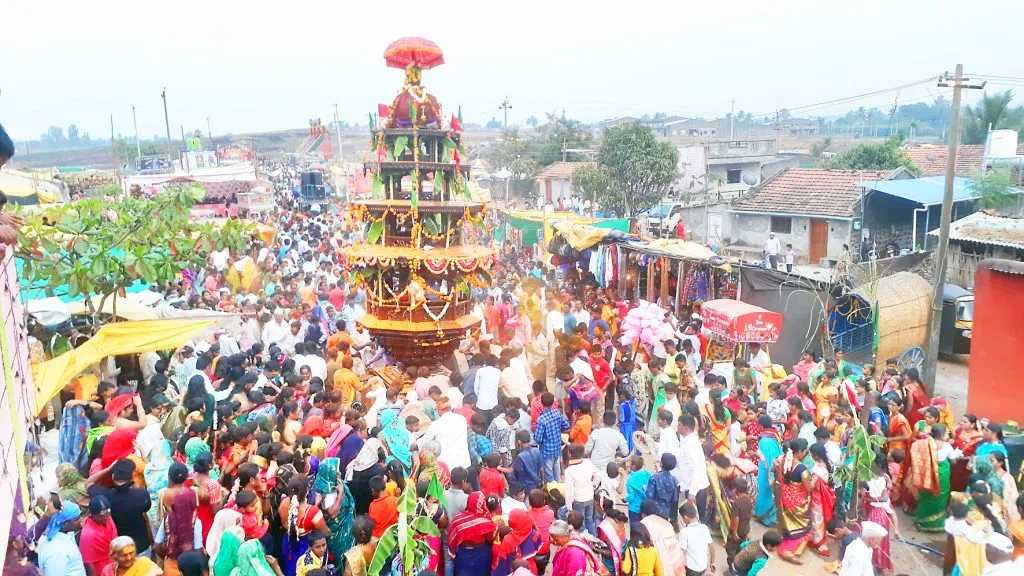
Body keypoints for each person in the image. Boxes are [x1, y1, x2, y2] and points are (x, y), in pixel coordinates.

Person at [87, 459, 153, 556]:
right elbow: (146, 508)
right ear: (131, 477)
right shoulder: (142, 495)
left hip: (120, 547)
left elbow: (88, 483)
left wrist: (108, 468)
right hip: (141, 545)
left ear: (113, 476)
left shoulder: (105, 495)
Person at [913, 424, 959, 532]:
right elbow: (953, 459)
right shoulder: (946, 446)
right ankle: (935, 524)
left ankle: (922, 521)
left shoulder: (923, 443)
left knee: (925, 496)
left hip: (926, 475)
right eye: (947, 433)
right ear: (942, 435)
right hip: (942, 475)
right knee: (940, 496)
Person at [775, 439, 813, 564]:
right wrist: (815, 480)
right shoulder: (802, 469)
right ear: (800, 452)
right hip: (797, 503)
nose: (806, 453)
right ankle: (788, 550)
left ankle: (786, 542)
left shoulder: (783, 459)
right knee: (804, 524)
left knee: (789, 522)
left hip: (785, 498)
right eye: (805, 451)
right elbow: (809, 488)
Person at [447, 492, 497, 575]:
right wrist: (497, 530)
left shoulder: (457, 519)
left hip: (464, 554)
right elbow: (490, 539)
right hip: (482, 555)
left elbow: (452, 538)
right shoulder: (486, 521)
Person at [38, 500, 86, 576]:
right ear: (65, 524)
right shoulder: (56, 552)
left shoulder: (66, 533)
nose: (81, 520)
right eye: (76, 519)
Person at [639, 500, 686, 576]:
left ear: (642, 512)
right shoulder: (665, 521)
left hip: (663, 564)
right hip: (677, 561)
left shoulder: (644, 523)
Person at [491, 509, 541, 576]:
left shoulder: (508, 539)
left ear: (514, 523)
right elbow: (538, 548)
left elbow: (503, 562)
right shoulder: (535, 533)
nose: (508, 520)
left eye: (510, 519)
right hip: (531, 570)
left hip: (514, 570)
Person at [563, 443, 598, 535]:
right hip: (590, 497)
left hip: (578, 500)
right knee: (589, 520)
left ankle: (584, 540)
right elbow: (598, 476)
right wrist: (593, 486)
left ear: (570, 454)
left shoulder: (569, 471)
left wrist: (569, 507)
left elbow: (569, 491)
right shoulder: (588, 463)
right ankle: (594, 539)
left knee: (580, 524)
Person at [534, 392, 570, 481]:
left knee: (549, 475)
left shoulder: (541, 419)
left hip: (546, 451)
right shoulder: (557, 413)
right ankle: (558, 486)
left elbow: (538, 439)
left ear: (542, 403)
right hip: (557, 448)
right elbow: (566, 425)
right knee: (556, 471)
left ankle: (551, 488)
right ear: (553, 403)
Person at [754, 415, 782, 525]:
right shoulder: (775, 434)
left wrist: (754, 454)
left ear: (761, 426)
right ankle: (771, 517)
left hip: (766, 469)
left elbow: (764, 458)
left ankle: (764, 517)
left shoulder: (764, 440)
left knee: (763, 492)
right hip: (775, 467)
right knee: (770, 492)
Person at [80, 497, 119, 576]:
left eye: (108, 514)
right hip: (102, 570)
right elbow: (89, 564)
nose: (105, 518)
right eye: (101, 516)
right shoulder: (87, 534)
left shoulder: (108, 518)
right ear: (91, 514)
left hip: (116, 563)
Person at [678, 502, 714, 576]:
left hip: (691, 569)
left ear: (685, 517)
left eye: (682, 518)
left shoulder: (684, 532)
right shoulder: (704, 527)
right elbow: (712, 548)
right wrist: (712, 562)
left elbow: (682, 554)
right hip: (703, 567)